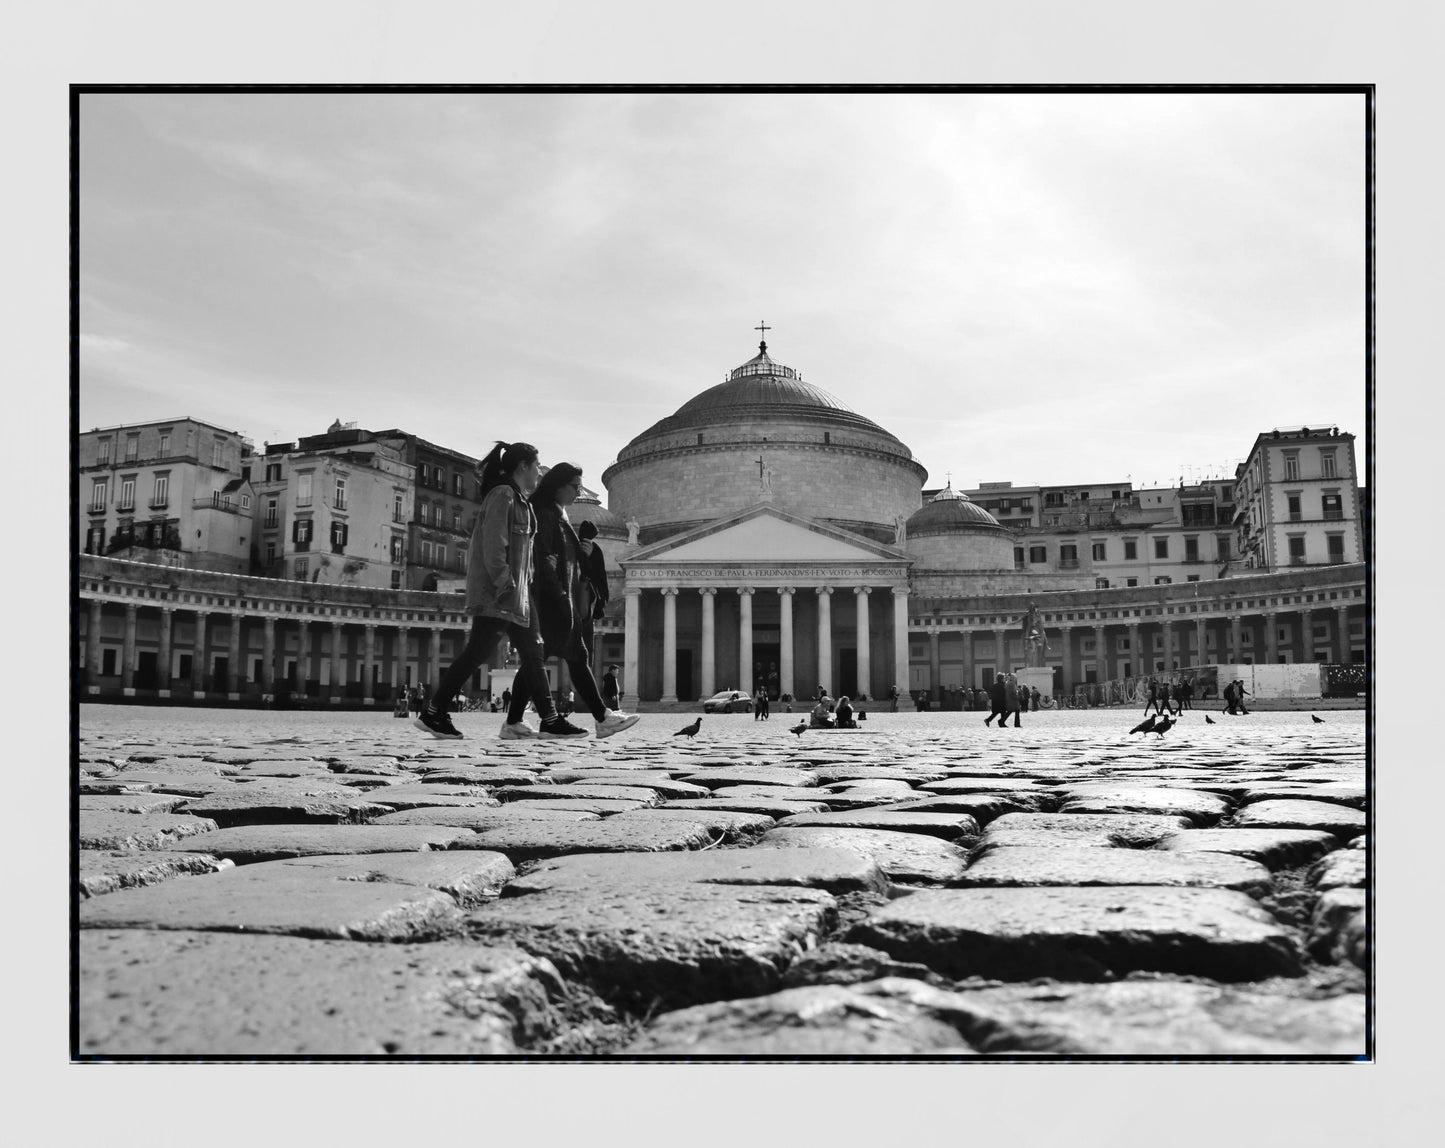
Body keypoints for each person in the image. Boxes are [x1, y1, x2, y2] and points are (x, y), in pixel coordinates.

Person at [416, 441, 587, 741]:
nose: (539, 472)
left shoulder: (520, 500)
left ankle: (549, 719)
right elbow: (494, 545)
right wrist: (505, 583)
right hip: (502, 593)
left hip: (520, 593)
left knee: (534, 652)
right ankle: (434, 713)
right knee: (477, 653)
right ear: (523, 466)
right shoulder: (503, 495)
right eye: (536, 466)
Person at [505, 461, 639, 740]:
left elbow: (559, 559)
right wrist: (559, 595)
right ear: (558, 485)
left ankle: (515, 721)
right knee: (567, 657)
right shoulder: (545, 514)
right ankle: (601, 717)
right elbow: (542, 560)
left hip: (558, 598)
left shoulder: (558, 514)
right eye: (575, 486)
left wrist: (581, 553)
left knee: (545, 659)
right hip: (552, 600)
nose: (578, 493)